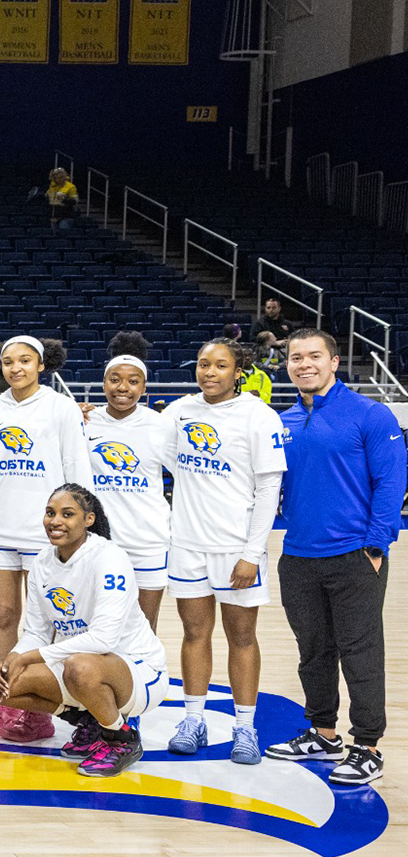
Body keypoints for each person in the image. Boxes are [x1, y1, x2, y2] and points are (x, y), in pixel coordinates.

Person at [266, 328, 404, 783]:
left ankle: (367, 746)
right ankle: (324, 733)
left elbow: (391, 482)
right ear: (287, 364)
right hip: (298, 556)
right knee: (313, 652)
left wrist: (376, 545)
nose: (304, 364)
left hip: (355, 555)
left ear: (334, 361)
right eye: (296, 357)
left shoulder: (370, 414)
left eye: (314, 356)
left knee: (360, 652)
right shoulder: (283, 422)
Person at [0, 485, 167, 777]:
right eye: (50, 513)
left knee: (80, 666)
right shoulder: (42, 561)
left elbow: (104, 639)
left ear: (89, 519)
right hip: (75, 668)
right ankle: (88, 720)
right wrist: (14, 657)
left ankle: (121, 739)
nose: (55, 521)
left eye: (67, 514)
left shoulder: (109, 558)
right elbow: (37, 632)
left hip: (138, 670)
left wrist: (30, 658)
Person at [161, 336, 288, 763]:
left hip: (236, 548)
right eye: (203, 364)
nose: (209, 372)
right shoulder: (179, 411)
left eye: (219, 365)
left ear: (238, 371)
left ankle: (245, 728)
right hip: (187, 545)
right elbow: (153, 452)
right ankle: (193, 720)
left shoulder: (258, 415)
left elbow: (269, 489)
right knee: (194, 634)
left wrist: (252, 552)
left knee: (242, 638)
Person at [0, 335, 89, 742]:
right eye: (8, 362)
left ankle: (37, 711)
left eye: (25, 360)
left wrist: (81, 533)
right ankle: (5, 702)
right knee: (3, 617)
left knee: (45, 624)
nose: (16, 368)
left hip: (46, 537)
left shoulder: (61, 408)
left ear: (41, 365)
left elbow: (77, 471)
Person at [81, 332, 170, 629]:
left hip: (148, 541)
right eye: (115, 379)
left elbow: (191, 474)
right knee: (96, 625)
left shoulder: (160, 426)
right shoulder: (84, 422)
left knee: (144, 627)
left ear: (144, 387)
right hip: (97, 540)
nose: (123, 388)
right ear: (103, 383)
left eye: (133, 381)